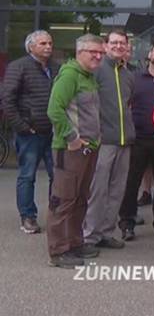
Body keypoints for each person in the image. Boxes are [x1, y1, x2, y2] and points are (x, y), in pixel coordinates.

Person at [45, 34, 105, 268]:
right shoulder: (70, 75)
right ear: (79, 51)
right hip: (70, 149)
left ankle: (75, 243)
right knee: (63, 199)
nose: (98, 56)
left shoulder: (89, 77)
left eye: (100, 52)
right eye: (93, 51)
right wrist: (72, 138)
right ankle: (58, 251)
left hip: (88, 149)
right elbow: (54, 109)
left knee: (80, 198)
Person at [2, 30, 58, 235]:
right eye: (43, 43)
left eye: (50, 43)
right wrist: (23, 126)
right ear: (31, 47)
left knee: (57, 176)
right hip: (30, 133)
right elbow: (7, 99)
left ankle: (56, 214)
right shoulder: (19, 67)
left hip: (53, 132)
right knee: (27, 175)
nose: (48, 47)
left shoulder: (56, 68)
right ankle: (27, 216)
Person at [84, 29, 135, 251]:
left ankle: (106, 232)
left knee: (116, 191)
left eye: (122, 43)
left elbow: (128, 105)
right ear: (105, 46)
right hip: (104, 141)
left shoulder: (127, 74)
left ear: (126, 47)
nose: (118, 46)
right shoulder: (96, 71)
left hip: (125, 141)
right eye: (113, 42)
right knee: (98, 191)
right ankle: (89, 236)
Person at [119, 41, 154, 241]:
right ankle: (127, 222)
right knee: (131, 183)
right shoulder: (135, 78)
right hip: (137, 139)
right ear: (150, 54)